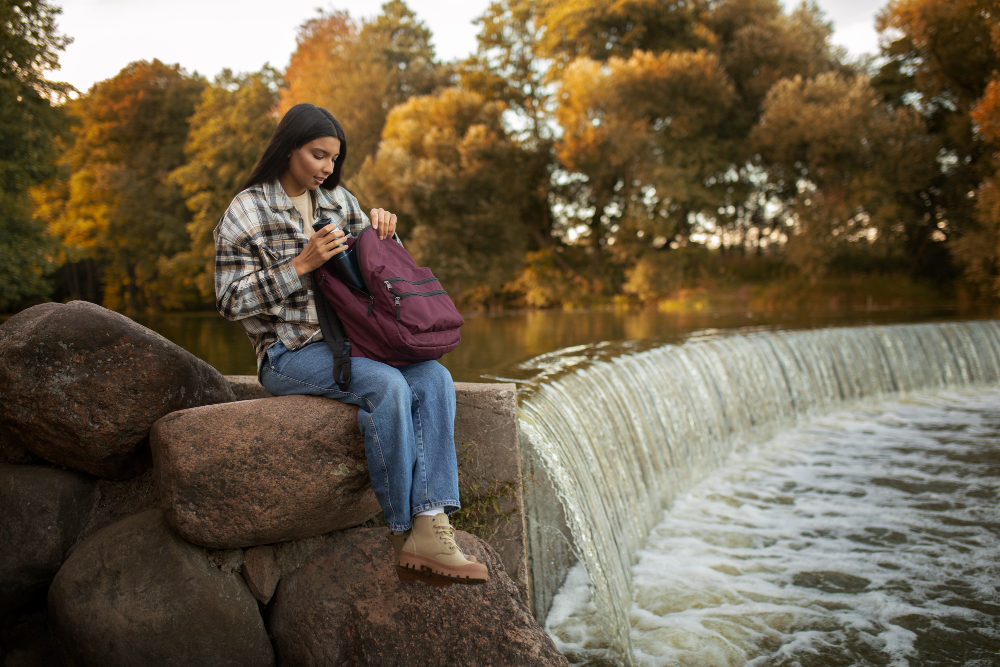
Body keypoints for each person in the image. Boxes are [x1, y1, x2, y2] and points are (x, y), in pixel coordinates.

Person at [214, 103, 487, 585]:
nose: (327, 168)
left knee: (435, 377)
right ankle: (403, 530)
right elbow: (230, 301)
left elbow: (380, 278)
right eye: (318, 155)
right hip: (290, 352)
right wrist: (299, 265)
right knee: (388, 387)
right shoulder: (246, 210)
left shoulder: (341, 202)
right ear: (288, 147)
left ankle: (432, 519)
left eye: (333, 160)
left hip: (358, 341)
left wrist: (387, 233)